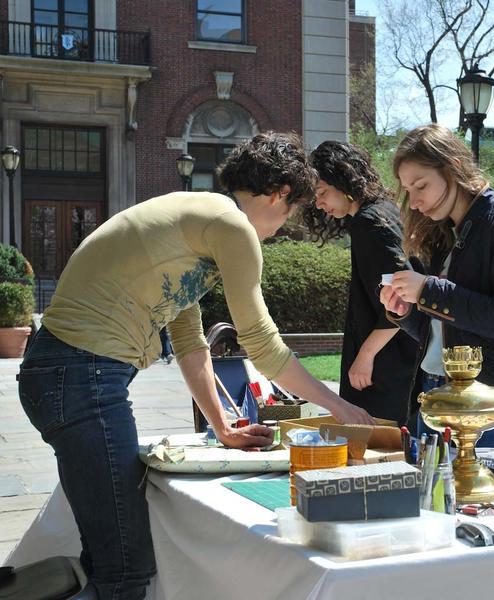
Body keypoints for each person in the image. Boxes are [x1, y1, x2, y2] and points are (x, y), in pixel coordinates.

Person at [17, 131, 374, 600]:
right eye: (288, 212)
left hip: (62, 372)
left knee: (109, 557)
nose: (280, 227)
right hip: (82, 376)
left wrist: (222, 425)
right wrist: (338, 406)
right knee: (124, 573)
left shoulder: (195, 218)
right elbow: (262, 345)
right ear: (279, 193)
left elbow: (188, 339)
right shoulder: (233, 226)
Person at [379, 123, 494, 465]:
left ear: (454, 169)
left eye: (421, 186)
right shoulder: (439, 235)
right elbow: (444, 332)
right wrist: (407, 311)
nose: (414, 201)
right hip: (434, 398)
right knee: (433, 514)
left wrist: (429, 290)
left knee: (493, 515)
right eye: (407, 189)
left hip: (492, 408)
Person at [304, 141, 419, 426]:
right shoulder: (386, 211)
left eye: (322, 193)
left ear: (343, 180)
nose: (319, 203)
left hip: (385, 369)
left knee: (378, 452)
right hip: (403, 360)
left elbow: (402, 300)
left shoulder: (369, 223)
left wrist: (364, 355)